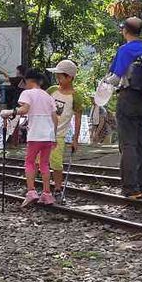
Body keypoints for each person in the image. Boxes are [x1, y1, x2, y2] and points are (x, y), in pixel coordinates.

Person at [102, 17, 142, 199]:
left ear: (125, 30)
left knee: (128, 144)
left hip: (128, 98)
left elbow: (116, 78)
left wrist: (103, 82)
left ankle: (130, 188)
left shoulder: (125, 50)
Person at [1, 68, 57, 206]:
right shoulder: (48, 96)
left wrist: (10, 112)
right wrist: (54, 135)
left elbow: (24, 109)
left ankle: (31, 191)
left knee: (30, 162)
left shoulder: (27, 93)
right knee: (44, 164)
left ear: (27, 81)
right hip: (48, 135)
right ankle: (47, 193)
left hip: (35, 134)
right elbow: (55, 118)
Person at [47, 59, 83, 201]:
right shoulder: (52, 90)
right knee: (40, 161)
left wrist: (75, 139)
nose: (58, 79)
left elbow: (78, 118)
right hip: (44, 132)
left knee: (56, 162)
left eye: (60, 76)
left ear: (69, 77)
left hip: (59, 135)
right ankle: (42, 187)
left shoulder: (75, 96)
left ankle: (57, 187)